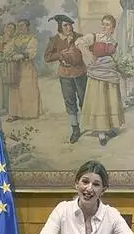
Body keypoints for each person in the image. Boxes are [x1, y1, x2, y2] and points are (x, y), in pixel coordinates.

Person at [34, 161, 134, 234]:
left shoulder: (111, 214)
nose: (89, 188)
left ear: (103, 190)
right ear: (76, 184)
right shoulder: (62, 209)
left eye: (96, 184)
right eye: (85, 182)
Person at [76, 15, 125, 146]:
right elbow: (79, 42)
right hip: (97, 73)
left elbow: (116, 58)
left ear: (113, 28)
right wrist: (88, 54)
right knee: (100, 102)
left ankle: (110, 127)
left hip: (110, 74)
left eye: (107, 25)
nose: (104, 27)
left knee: (110, 101)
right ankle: (101, 132)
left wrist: (124, 69)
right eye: (103, 24)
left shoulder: (113, 42)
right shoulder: (94, 37)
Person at [44, 14, 87, 143]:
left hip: (80, 72)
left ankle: (90, 124)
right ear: (60, 27)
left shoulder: (79, 37)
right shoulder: (55, 40)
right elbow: (47, 57)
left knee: (84, 99)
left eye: (70, 25)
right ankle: (75, 128)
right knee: (69, 101)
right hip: (65, 74)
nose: (69, 28)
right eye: (65, 25)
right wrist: (60, 55)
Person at [6, 19, 42, 121]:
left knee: (27, 89)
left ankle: (29, 113)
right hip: (16, 68)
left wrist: (21, 55)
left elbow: (32, 52)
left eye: (22, 26)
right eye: (19, 26)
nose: (20, 28)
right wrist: (10, 55)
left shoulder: (32, 39)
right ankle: (14, 113)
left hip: (27, 67)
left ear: (27, 27)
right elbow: (8, 48)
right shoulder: (15, 39)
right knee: (15, 90)